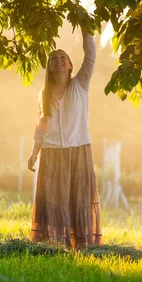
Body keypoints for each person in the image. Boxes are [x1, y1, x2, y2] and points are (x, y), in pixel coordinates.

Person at [27, 27, 103, 250]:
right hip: (51, 153)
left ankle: (81, 245)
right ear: (49, 66)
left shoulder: (80, 84)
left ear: (70, 65)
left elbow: (90, 55)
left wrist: (85, 27)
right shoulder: (44, 94)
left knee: (78, 200)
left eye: (63, 58)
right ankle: (53, 244)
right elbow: (42, 125)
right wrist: (34, 152)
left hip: (78, 150)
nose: (58, 61)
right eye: (54, 59)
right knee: (53, 201)